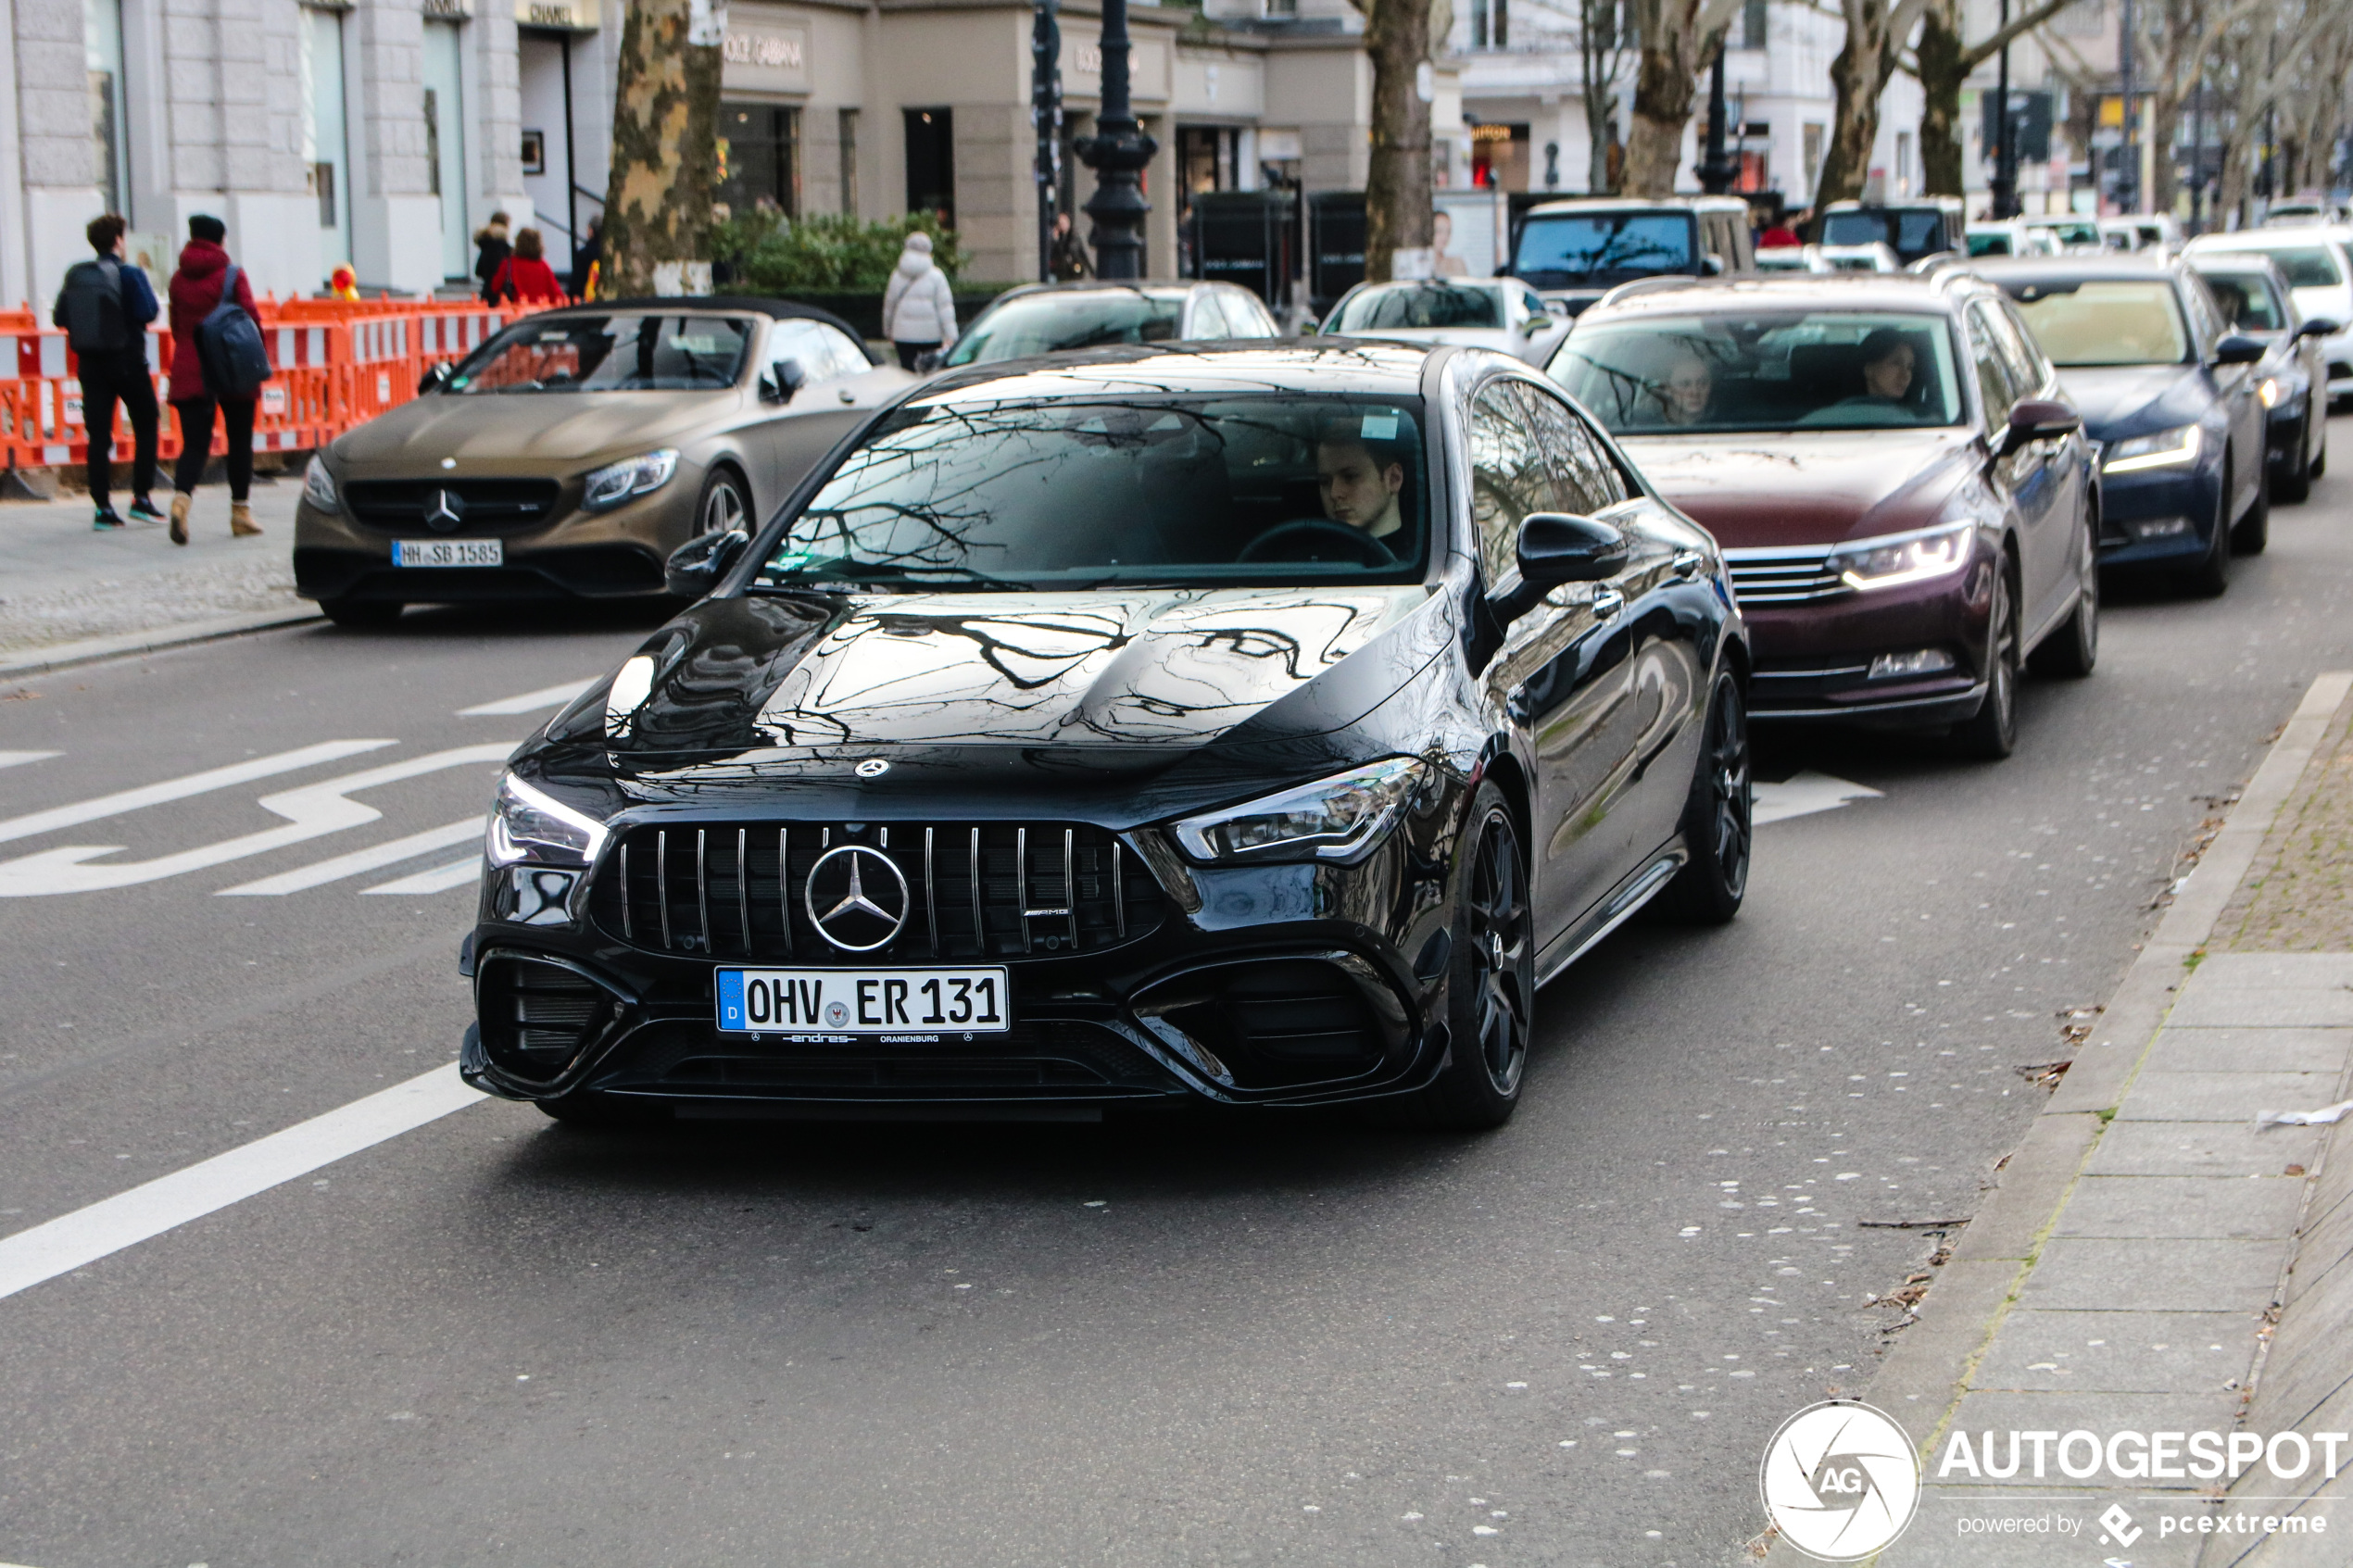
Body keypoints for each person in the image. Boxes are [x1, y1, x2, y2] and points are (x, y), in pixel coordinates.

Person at [52, 213, 163, 530]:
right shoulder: (129, 273)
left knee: (98, 436)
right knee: (146, 423)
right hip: (127, 361)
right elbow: (149, 312)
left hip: (90, 364)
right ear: (118, 241)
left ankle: (102, 507)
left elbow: (61, 316)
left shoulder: (77, 275)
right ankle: (141, 497)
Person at [164, 214, 261, 545]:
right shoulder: (232, 275)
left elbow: (177, 327)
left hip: (192, 367)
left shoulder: (178, 278)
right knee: (239, 441)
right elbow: (251, 320)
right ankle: (240, 513)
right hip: (232, 366)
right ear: (220, 240)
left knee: (194, 445)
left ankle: (181, 502)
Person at [1316, 424, 1407, 546]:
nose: (1334, 493)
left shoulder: (1432, 553)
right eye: (1324, 481)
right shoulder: (1308, 556)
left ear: (1393, 479)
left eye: (1350, 477)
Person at [883, 231, 958, 370]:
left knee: (906, 373)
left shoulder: (896, 276)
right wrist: (951, 336)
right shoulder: (937, 276)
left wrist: (888, 331)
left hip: (903, 334)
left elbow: (889, 306)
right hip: (931, 334)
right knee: (930, 373)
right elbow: (945, 308)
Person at [488, 228, 564, 305]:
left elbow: (495, 287)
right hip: (541, 311)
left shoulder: (508, 263)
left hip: (516, 309)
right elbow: (557, 293)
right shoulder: (543, 266)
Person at [1655, 347, 1715, 426]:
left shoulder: (1728, 424)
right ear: (1668, 389)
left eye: (1702, 383)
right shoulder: (1646, 426)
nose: (1694, 392)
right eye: (1684, 384)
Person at [1856, 328, 1917, 403]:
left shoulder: (1914, 413)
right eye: (1896, 363)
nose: (1906, 375)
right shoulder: (1846, 412)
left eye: (1909, 367)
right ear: (1869, 370)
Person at [473, 212, 512, 306]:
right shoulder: (504, 248)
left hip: (487, 293)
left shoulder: (486, 246)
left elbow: (478, 270)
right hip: (502, 294)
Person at [1048, 211, 1092, 282]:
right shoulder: (1058, 239)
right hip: (1062, 273)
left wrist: (1092, 271)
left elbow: (1085, 254)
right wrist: (1055, 240)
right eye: (1061, 223)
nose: (1063, 225)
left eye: (1064, 222)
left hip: (1076, 269)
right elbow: (1053, 254)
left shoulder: (1076, 236)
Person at [572, 213, 602, 300]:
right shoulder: (608, 253)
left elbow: (576, 284)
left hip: (587, 301)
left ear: (591, 230)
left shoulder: (583, 254)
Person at [1432, 210, 1470, 277]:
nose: (1445, 237)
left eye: (1448, 232)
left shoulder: (1456, 264)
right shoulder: (1419, 265)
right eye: (1439, 231)